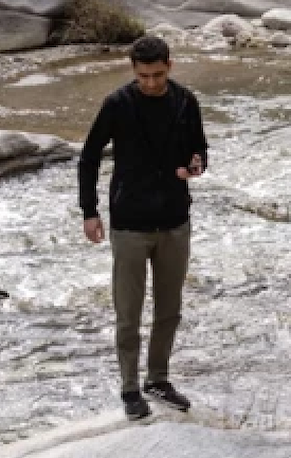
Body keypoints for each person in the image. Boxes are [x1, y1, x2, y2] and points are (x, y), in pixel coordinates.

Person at [78, 36, 208, 420]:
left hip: (175, 220)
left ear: (170, 64)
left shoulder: (186, 101)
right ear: (133, 69)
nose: (150, 82)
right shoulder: (117, 104)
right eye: (142, 76)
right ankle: (130, 388)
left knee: (169, 309)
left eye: (157, 74)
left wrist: (196, 166)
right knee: (128, 313)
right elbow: (88, 159)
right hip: (129, 223)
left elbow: (200, 149)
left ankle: (158, 379)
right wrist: (90, 211)